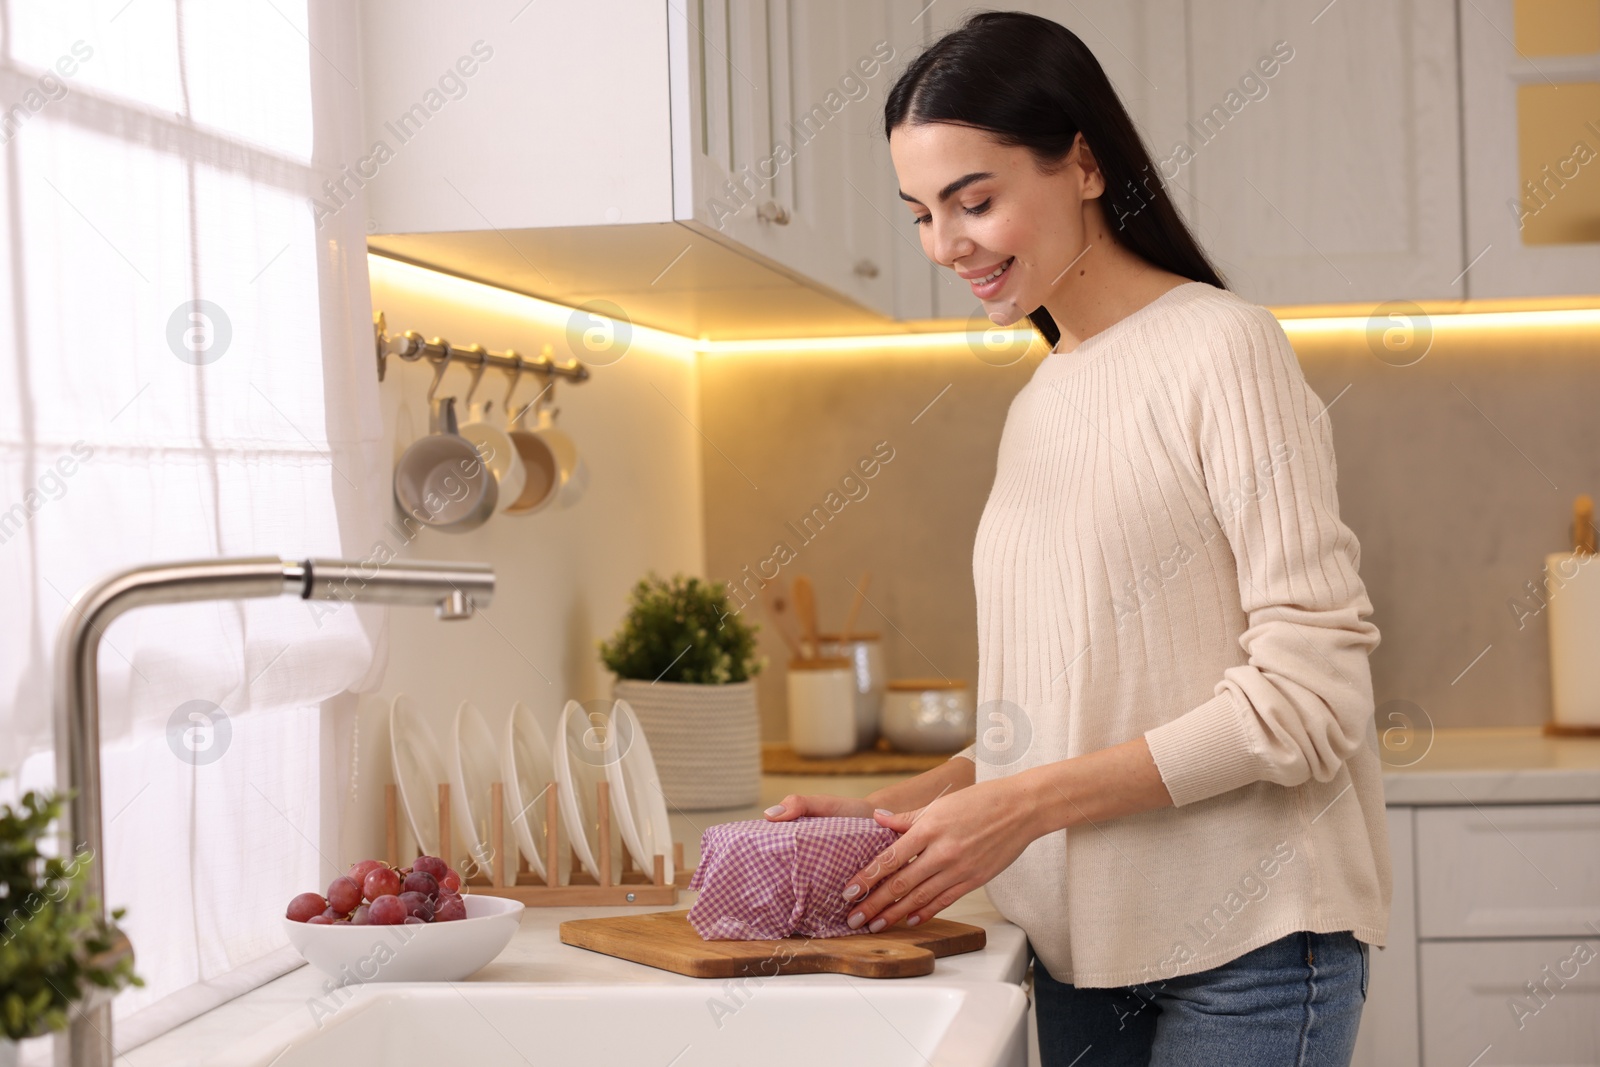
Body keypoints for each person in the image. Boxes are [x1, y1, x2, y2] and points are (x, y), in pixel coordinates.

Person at [762, 11, 1387, 1066]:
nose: (944, 244)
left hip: (1247, 948)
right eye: (919, 212)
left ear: (1084, 165)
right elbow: (1069, 710)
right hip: (1076, 952)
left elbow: (1312, 697)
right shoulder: (1043, 393)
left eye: (975, 200)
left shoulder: (1221, 348)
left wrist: (1017, 807)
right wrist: (916, 806)